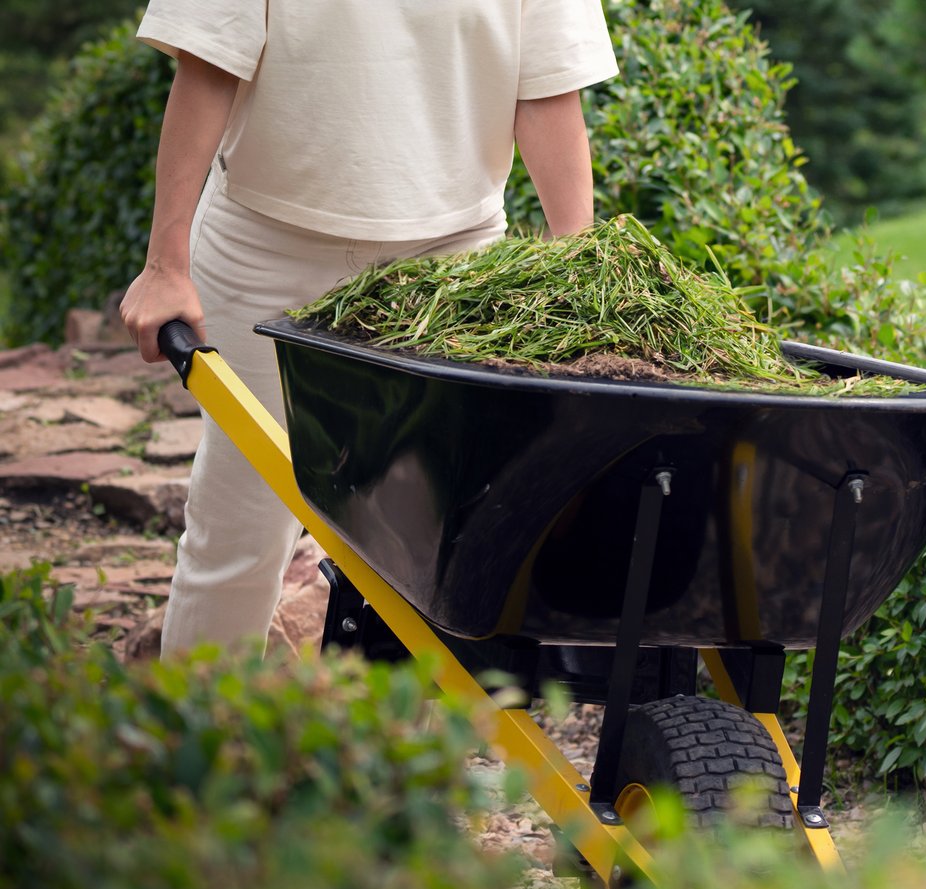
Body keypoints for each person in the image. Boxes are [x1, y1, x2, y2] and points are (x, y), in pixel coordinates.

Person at [119, 0, 618, 655]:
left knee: (427, 540)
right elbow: (209, 60)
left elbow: (548, 87)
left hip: (446, 263)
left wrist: (577, 271)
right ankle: (204, 742)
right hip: (265, 248)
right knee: (240, 526)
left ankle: (393, 753)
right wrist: (164, 264)